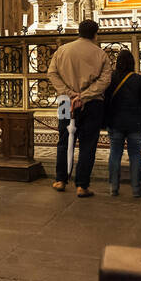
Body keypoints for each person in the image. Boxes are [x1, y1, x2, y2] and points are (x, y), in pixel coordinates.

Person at [47, 19, 112, 198]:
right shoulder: (101, 54)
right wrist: (83, 96)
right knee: (88, 144)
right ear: (95, 34)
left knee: (63, 140)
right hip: (92, 104)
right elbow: (105, 81)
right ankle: (82, 186)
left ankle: (60, 180)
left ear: (79, 32)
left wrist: (69, 94)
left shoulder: (62, 50)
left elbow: (52, 73)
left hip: (64, 102)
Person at [103, 50, 141, 197]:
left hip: (115, 123)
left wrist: (104, 122)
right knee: (135, 155)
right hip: (136, 124)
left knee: (114, 154)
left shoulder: (111, 79)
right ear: (132, 62)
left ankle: (113, 188)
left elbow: (106, 102)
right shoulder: (138, 79)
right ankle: (136, 189)